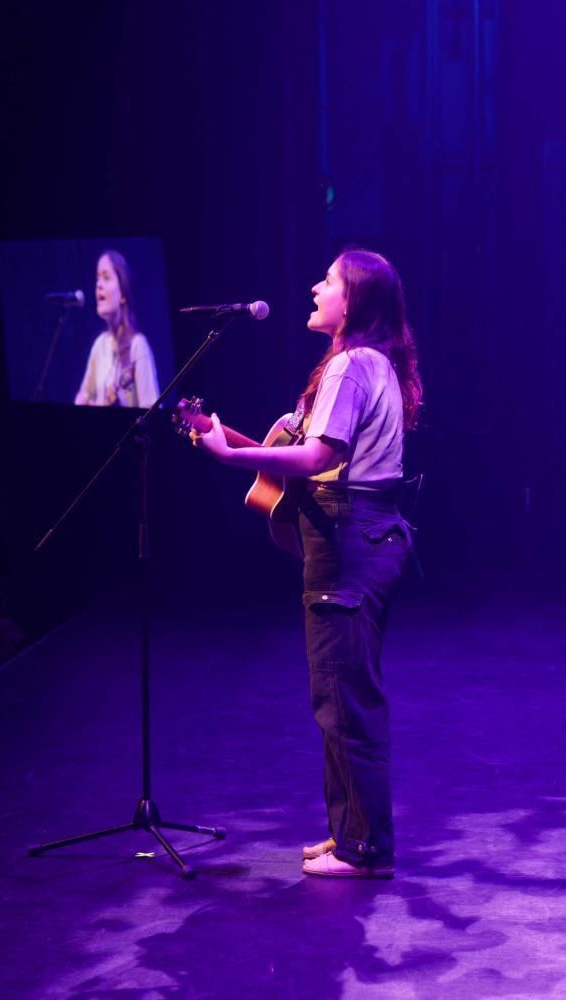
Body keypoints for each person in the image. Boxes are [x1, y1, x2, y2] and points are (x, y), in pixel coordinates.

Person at [192, 247, 422, 878]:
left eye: (328, 282)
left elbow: (320, 457)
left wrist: (229, 456)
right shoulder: (372, 363)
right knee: (339, 693)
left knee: (344, 698)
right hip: (366, 533)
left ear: (354, 301)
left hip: (348, 537)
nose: (316, 289)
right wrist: (243, 445)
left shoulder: (350, 365)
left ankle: (362, 848)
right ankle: (350, 832)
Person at [75, 250, 160, 408]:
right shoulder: (100, 345)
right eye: (97, 278)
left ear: (123, 294)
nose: (98, 285)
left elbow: (151, 409)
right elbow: (83, 396)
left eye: (106, 277)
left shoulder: (137, 345)